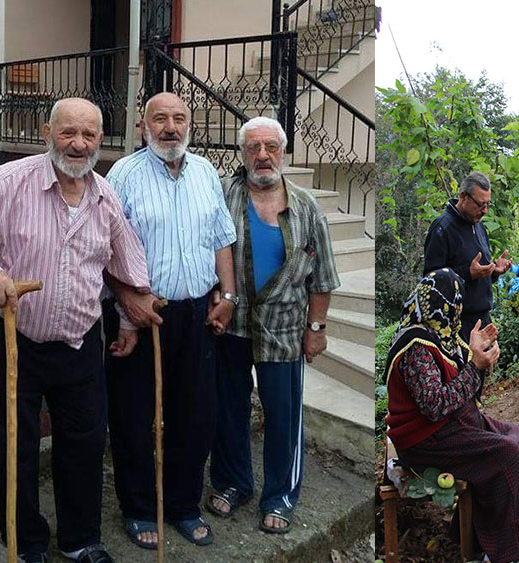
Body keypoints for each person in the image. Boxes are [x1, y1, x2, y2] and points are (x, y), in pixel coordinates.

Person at [0, 98, 150, 563]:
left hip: (80, 341)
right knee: (13, 445)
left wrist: (132, 313)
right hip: (13, 339)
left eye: (89, 135)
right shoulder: (9, 182)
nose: (79, 143)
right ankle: (25, 542)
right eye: (68, 132)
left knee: (86, 444)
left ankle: (80, 539)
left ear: (100, 140)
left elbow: (125, 258)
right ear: (48, 131)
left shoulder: (105, 196)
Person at [102, 92, 237, 548]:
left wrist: (228, 295)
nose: (171, 127)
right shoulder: (123, 175)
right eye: (160, 119)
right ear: (144, 126)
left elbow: (221, 238)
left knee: (195, 414)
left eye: (179, 118)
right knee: (134, 415)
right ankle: (140, 509)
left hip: (198, 313)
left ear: (190, 125)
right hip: (143, 315)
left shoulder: (205, 173)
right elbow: (106, 248)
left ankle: (182, 504)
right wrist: (126, 308)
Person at [205, 116, 339, 534]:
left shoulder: (305, 206)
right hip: (231, 324)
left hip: (283, 330)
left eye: (271, 147)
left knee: (283, 416)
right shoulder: (223, 194)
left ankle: (280, 495)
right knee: (229, 410)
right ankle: (232, 484)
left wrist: (316, 328)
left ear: (284, 152)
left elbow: (322, 275)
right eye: (253, 148)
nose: (263, 156)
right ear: (242, 154)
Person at [385, 268, 519, 563]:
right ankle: (508, 553)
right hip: (425, 440)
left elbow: (460, 381)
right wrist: (476, 366)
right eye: (456, 300)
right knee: (504, 452)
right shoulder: (416, 346)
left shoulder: (441, 334)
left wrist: (476, 352)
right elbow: (435, 405)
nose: (459, 307)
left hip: (450, 425)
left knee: (515, 434)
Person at [423, 172, 512, 343]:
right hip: (457, 326)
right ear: (463, 196)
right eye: (480, 204)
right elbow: (430, 283)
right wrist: (467, 274)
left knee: (484, 368)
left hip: (482, 318)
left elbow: (478, 276)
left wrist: (494, 271)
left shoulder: (479, 227)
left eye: (487, 204)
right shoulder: (442, 229)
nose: (484, 211)